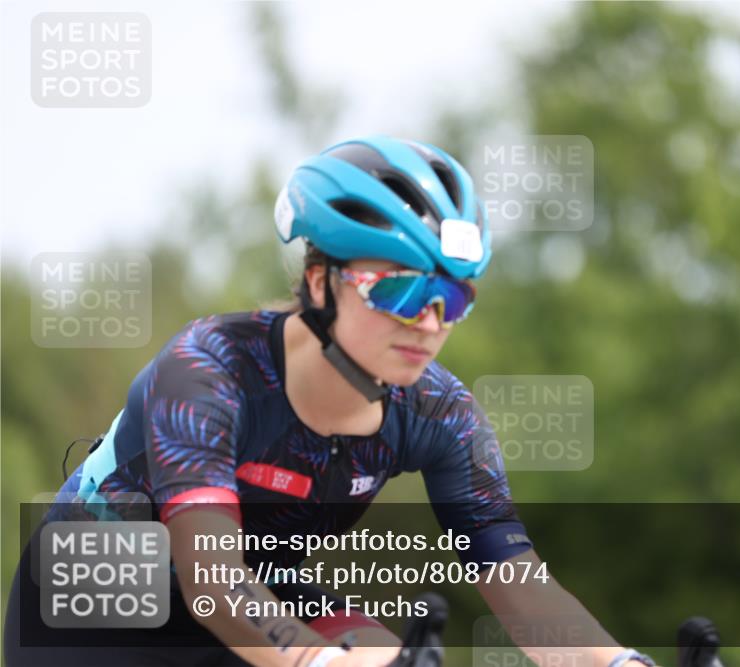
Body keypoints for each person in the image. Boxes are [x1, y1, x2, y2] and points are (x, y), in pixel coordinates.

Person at [3, 136, 657, 667]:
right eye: (398, 290)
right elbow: (209, 578)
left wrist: (616, 661)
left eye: (451, 298)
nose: (428, 321)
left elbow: (517, 581)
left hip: (263, 591)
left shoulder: (443, 416)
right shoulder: (207, 369)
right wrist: (315, 662)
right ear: (319, 282)